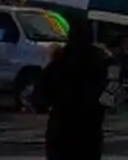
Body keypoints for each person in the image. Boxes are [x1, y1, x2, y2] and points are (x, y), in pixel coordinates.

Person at [37, 16, 111, 160]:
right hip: (89, 133)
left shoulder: (59, 63)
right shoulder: (99, 63)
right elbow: (109, 97)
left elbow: (40, 97)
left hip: (61, 132)